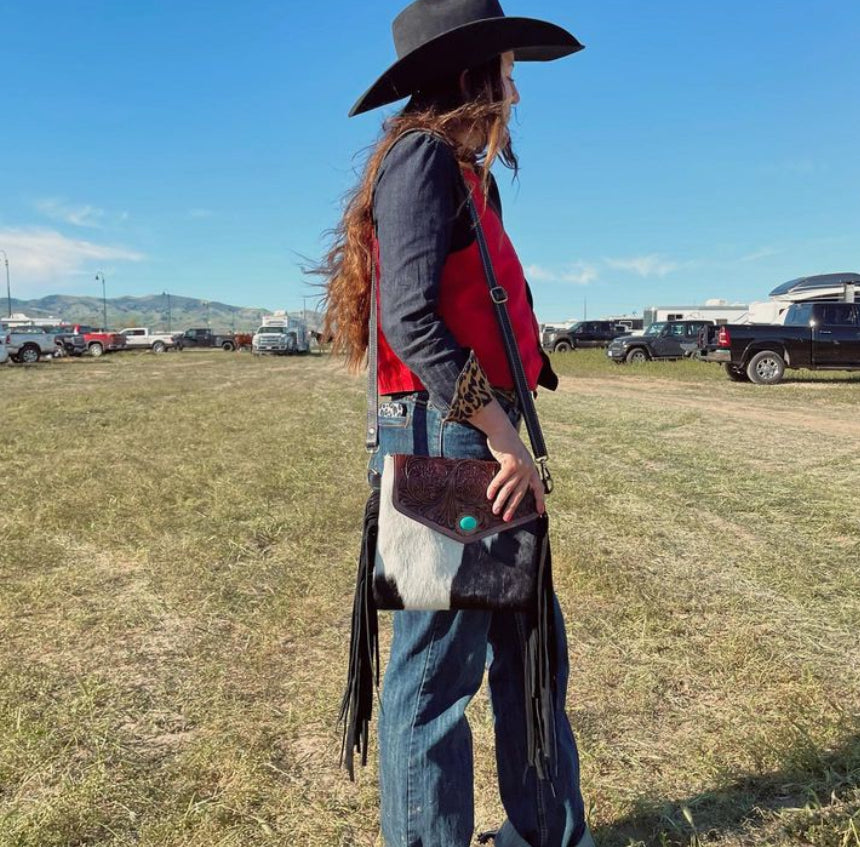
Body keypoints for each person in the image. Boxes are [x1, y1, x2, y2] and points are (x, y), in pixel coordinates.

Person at [321, 2, 593, 845]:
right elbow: (410, 320)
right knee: (437, 672)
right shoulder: (421, 159)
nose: (517, 91)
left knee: (530, 651)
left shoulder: (471, 178)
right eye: (507, 72)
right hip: (454, 437)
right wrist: (503, 433)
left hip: (479, 432)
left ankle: (547, 833)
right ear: (473, 75)